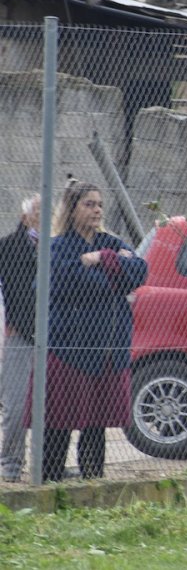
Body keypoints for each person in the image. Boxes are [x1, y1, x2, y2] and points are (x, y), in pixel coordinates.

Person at [44, 181, 147, 481]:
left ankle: (94, 483)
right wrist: (116, 277)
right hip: (68, 349)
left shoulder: (110, 243)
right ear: (71, 208)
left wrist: (103, 259)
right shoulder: (57, 246)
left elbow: (140, 270)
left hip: (107, 351)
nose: (97, 210)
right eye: (89, 204)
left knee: (95, 424)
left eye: (99, 204)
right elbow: (67, 282)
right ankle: (50, 482)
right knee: (59, 422)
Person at [0, 194, 40, 482]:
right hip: (19, 334)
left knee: (51, 403)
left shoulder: (57, 247)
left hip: (53, 336)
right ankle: (11, 463)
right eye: (39, 211)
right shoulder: (7, 248)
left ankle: (45, 464)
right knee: (15, 405)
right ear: (25, 217)